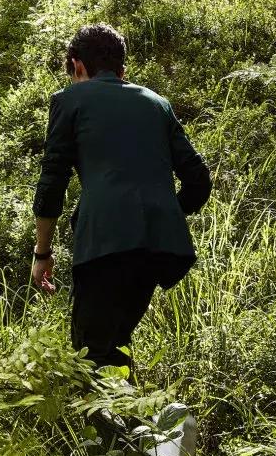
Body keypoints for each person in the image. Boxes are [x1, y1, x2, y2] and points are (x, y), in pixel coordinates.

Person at [30, 22, 212, 374]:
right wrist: (165, 214)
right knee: (114, 343)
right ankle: (135, 422)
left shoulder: (69, 101)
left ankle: (115, 428)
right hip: (157, 248)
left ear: (77, 65)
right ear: (121, 69)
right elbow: (199, 180)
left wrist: (43, 252)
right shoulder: (156, 103)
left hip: (104, 242)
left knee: (90, 355)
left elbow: (53, 181)